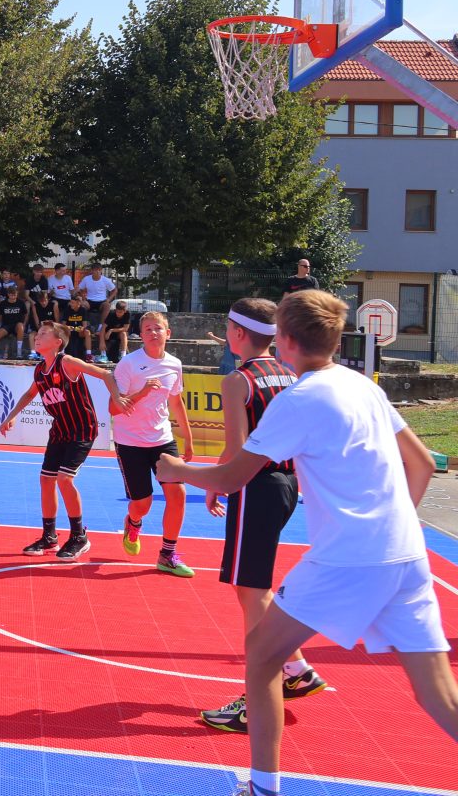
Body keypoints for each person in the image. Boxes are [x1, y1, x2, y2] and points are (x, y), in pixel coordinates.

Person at [158, 291, 457, 796]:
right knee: (439, 695)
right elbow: (423, 464)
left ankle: (263, 787)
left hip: (347, 557)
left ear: (285, 339)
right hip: (407, 552)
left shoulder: (299, 399)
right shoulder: (362, 385)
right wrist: (391, 526)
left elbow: (231, 478)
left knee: (262, 654)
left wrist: (176, 469)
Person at [197, 298, 327, 735]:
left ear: (237, 333)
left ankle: (257, 698)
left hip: (256, 486)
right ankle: (296, 668)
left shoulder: (238, 381)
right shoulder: (288, 373)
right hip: (286, 484)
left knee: (252, 594)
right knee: (251, 588)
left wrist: (213, 479)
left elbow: (238, 449)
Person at [0, 322, 136, 561]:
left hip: (82, 429)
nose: (37, 337)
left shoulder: (67, 362)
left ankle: (79, 536)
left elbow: (106, 374)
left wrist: (117, 398)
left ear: (57, 342)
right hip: (60, 430)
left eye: (44, 334)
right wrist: (11, 416)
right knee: (46, 480)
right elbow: (30, 393)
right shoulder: (40, 369)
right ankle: (49, 536)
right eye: (37, 333)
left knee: (64, 478)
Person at [112, 312, 197, 577]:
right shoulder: (128, 364)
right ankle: (133, 521)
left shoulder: (174, 364)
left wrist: (188, 438)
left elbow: (176, 402)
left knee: (178, 494)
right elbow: (113, 408)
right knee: (143, 504)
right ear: (141, 335)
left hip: (163, 440)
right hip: (130, 442)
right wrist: (142, 393)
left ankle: (167, 554)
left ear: (167, 333)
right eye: (147, 329)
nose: (153, 332)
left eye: (157, 328)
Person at [0, 283, 29, 359]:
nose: (13, 297)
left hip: (17, 325)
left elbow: (26, 315)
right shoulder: (3, 304)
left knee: (20, 326)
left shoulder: (21, 303)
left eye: (15, 295)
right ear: (8, 294)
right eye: (11, 295)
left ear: (17, 294)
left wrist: (24, 324)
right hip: (6, 325)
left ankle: (19, 352)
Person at [98, 299, 133, 364]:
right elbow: (103, 328)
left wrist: (111, 330)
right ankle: (103, 355)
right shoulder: (111, 314)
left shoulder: (128, 314)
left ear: (125, 311)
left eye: (120, 312)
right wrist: (101, 342)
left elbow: (125, 328)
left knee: (123, 334)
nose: (118, 314)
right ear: (115, 310)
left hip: (117, 333)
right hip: (107, 334)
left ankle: (123, 355)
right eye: (117, 311)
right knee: (102, 336)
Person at [62, 294, 92, 359]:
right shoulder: (67, 310)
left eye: (73, 303)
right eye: (70, 302)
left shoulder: (83, 310)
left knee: (87, 332)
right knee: (63, 331)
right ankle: (62, 352)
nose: (71, 304)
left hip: (79, 332)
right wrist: (68, 327)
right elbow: (63, 325)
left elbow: (84, 325)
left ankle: (89, 354)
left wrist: (81, 328)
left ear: (78, 303)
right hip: (69, 331)